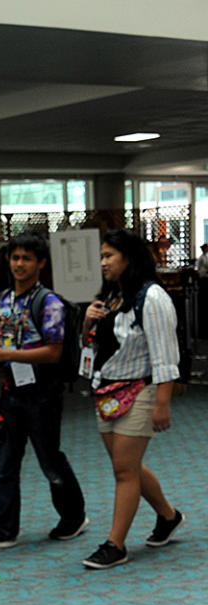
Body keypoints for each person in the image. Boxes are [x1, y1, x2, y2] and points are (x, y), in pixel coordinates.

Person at [0, 232, 87, 548]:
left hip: (42, 393)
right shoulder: (1, 300)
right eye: (15, 257)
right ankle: (3, 527)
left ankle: (74, 516)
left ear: (40, 263)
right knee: (6, 463)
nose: (19, 264)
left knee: (50, 460)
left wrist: (5, 354)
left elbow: (54, 352)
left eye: (26, 258)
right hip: (10, 392)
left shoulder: (49, 302)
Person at [80, 229, 183, 569]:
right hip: (107, 390)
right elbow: (94, 345)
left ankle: (116, 544)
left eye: (109, 255)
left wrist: (162, 402)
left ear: (129, 257)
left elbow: (166, 354)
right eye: (102, 256)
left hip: (140, 390)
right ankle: (168, 517)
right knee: (129, 467)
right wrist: (87, 322)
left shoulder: (152, 297)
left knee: (124, 471)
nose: (103, 262)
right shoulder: (113, 295)